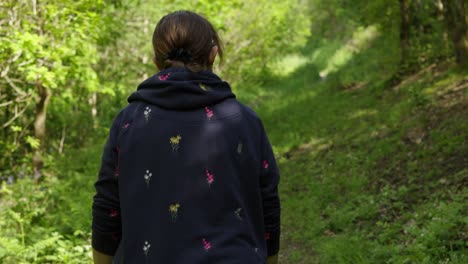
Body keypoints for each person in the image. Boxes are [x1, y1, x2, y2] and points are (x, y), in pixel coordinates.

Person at [92, 10, 280, 264]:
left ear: (156, 60)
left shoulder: (128, 122)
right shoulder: (244, 120)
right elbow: (267, 203)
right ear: (213, 54)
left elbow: (107, 209)